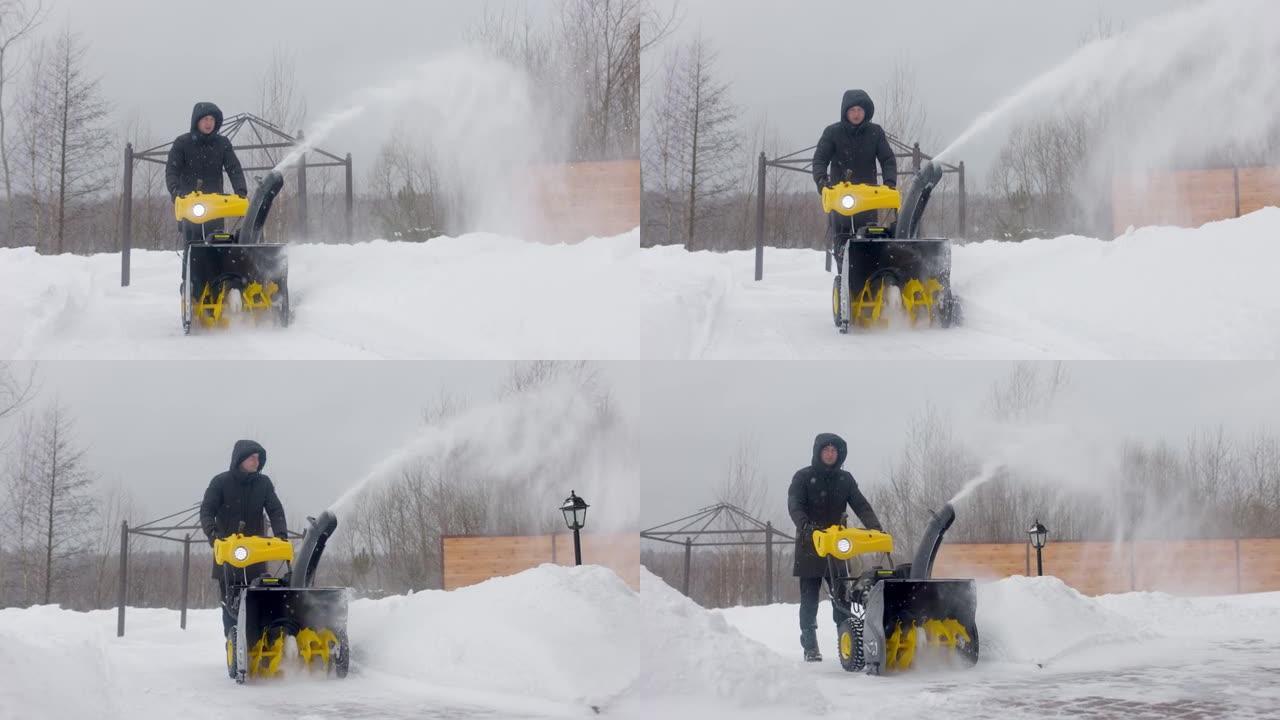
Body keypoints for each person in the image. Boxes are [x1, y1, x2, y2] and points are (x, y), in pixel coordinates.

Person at [787, 432, 883, 662]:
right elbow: (794, 506)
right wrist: (807, 526)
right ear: (818, 452)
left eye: (834, 451)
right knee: (809, 599)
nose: (830, 454)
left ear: (839, 454)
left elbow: (860, 504)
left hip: (838, 545)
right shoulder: (803, 477)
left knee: (841, 595)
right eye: (826, 450)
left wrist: (876, 528)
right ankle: (809, 644)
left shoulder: (845, 479)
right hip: (811, 545)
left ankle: (846, 639)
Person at [199, 439, 288, 636]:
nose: (256, 462)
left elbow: (275, 510)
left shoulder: (263, 484)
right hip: (228, 557)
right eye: (252, 458)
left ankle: (261, 645)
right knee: (231, 606)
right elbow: (206, 511)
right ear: (240, 459)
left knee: (260, 600)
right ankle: (233, 644)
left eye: (258, 458)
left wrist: (281, 535)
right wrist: (214, 535)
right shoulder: (220, 482)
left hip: (256, 556)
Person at [812, 89, 898, 252]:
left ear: (865, 112)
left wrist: (889, 183)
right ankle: (843, 271)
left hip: (869, 198)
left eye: (860, 110)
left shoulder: (875, 133)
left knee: (870, 239)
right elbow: (819, 160)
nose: (856, 114)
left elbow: (888, 159)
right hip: (839, 197)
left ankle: (871, 274)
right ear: (846, 112)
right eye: (852, 110)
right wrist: (822, 182)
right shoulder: (832, 133)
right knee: (842, 241)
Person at [166, 101, 248, 245]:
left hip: (216, 206)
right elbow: (172, 170)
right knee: (192, 249)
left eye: (212, 119)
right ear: (197, 121)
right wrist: (175, 191)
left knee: (216, 246)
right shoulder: (182, 143)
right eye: (205, 119)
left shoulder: (222, 143)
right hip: (189, 206)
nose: (208, 123)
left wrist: (240, 190)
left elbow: (234, 168)